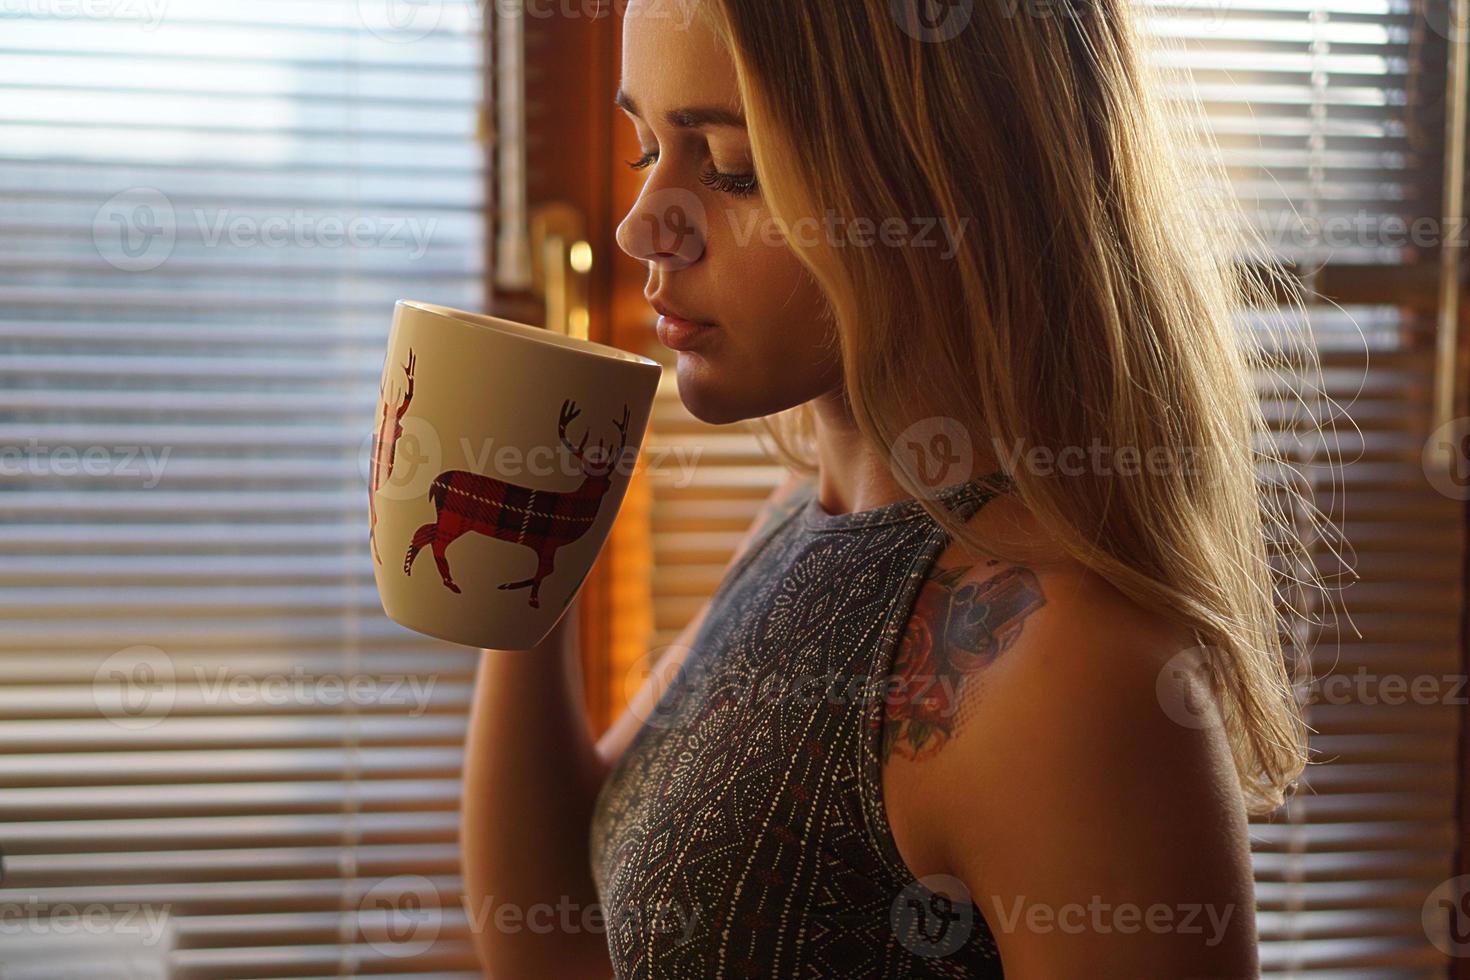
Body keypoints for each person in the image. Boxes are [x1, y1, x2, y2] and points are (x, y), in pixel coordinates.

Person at [461, 0, 1326, 975]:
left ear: (937, 177)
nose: (639, 226)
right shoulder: (807, 521)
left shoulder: (1068, 674)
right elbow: (564, 942)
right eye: (644, 148)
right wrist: (524, 576)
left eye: (731, 166)